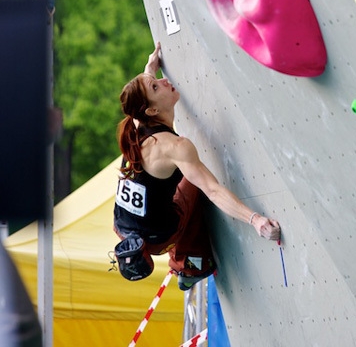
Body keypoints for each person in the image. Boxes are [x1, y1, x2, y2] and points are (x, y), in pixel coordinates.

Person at [113, 42, 280, 291]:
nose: (164, 81)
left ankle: (186, 258)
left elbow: (143, 90)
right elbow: (212, 190)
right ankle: (190, 264)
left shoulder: (138, 121)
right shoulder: (174, 147)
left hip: (122, 228)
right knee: (192, 181)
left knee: (178, 179)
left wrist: (150, 68)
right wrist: (255, 220)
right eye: (156, 85)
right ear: (153, 109)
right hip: (156, 238)